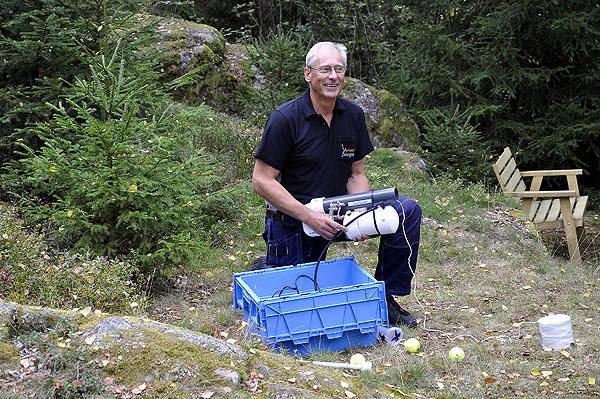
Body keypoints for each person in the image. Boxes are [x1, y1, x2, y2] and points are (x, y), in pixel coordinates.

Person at [251, 41, 422, 328]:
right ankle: (268, 264)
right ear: (308, 74)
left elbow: (356, 174)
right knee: (297, 301)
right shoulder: (285, 119)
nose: (333, 76)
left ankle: (385, 297)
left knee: (406, 210)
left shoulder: (353, 115)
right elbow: (261, 180)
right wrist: (309, 217)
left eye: (338, 69)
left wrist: (361, 215)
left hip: (337, 212)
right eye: (325, 69)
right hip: (294, 221)